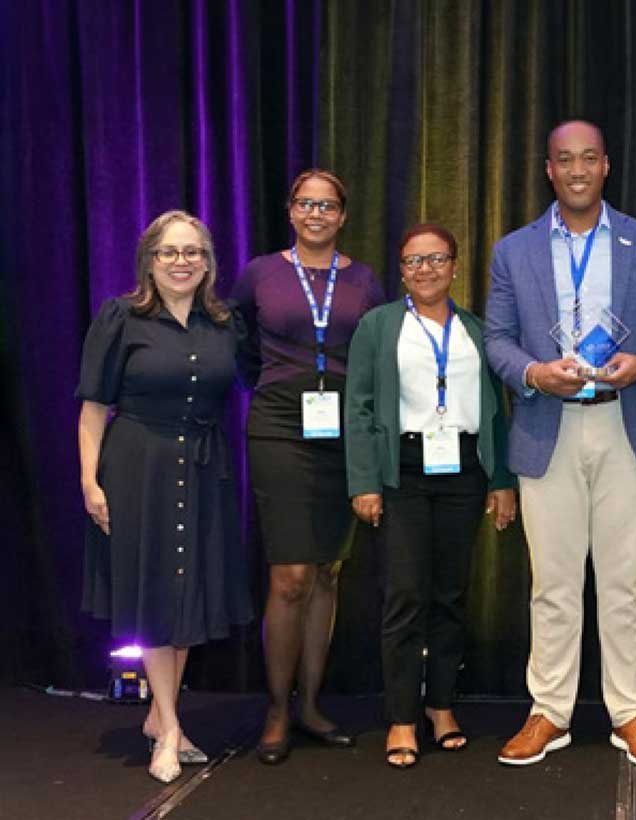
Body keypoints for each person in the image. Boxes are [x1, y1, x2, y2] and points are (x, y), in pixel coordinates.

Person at [485, 119, 636, 767]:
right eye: (564, 160)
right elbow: (498, 340)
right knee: (554, 582)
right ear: (549, 170)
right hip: (549, 426)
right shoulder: (513, 250)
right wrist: (535, 374)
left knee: (626, 581)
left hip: (626, 422)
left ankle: (632, 712)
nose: (576, 170)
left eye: (588, 158)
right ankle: (550, 710)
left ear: (606, 166)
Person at [77, 210, 253, 783]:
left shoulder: (224, 323)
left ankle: (161, 717)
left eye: (193, 252)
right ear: (150, 260)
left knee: (187, 595)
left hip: (205, 469)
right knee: (156, 593)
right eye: (170, 252)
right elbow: (93, 408)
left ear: (208, 261)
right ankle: (172, 728)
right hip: (137, 466)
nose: (183, 262)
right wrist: (89, 480)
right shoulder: (121, 317)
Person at [345, 223, 518, 769]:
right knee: (404, 596)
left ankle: (442, 707)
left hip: (464, 471)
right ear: (401, 270)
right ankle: (401, 716)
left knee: (449, 595)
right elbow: (360, 406)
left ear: (454, 266)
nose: (425, 270)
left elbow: (495, 412)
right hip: (403, 472)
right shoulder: (378, 325)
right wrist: (365, 482)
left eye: (436, 259)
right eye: (413, 262)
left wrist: (501, 481)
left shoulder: (475, 329)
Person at [231, 169, 385, 765]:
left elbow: (371, 354)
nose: (317, 213)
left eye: (328, 205)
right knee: (289, 575)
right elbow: (240, 341)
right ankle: (276, 708)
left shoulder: (364, 280)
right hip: (278, 427)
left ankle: (312, 705)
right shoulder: (261, 273)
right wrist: (270, 388)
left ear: (343, 216)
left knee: (328, 572)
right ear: (291, 211)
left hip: (343, 430)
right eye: (305, 203)